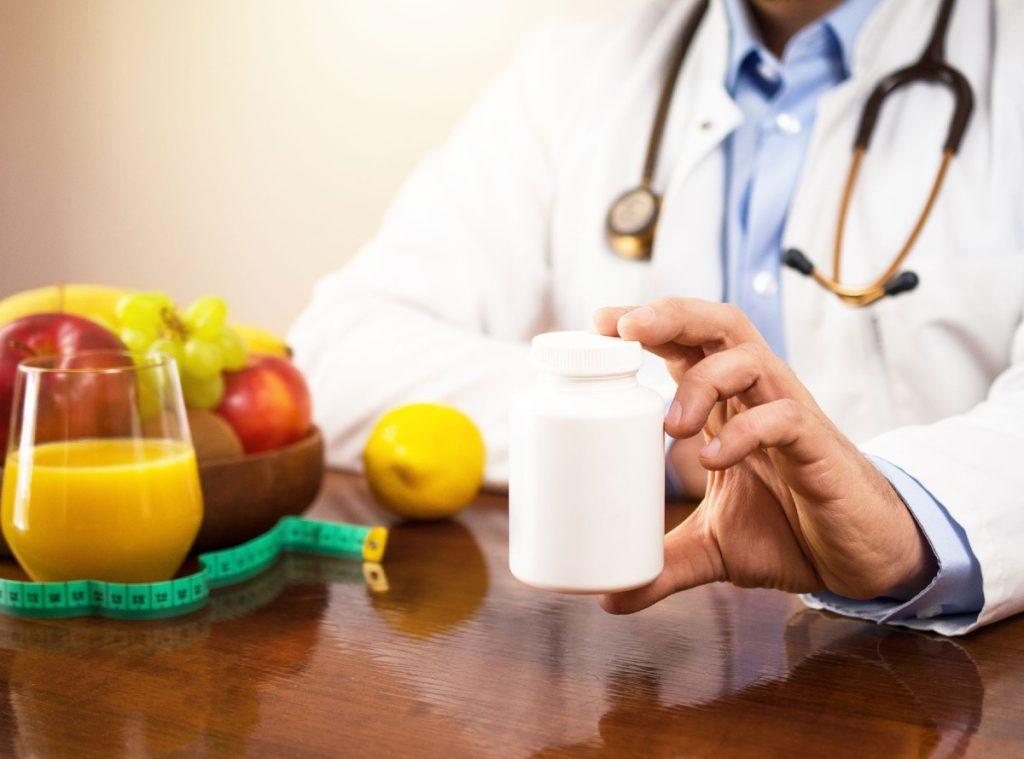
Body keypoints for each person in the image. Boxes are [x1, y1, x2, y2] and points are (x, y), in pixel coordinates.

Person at [289, 0, 1024, 636]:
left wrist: (901, 519)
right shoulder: (578, 67)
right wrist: (659, 423)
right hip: (651, 679)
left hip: (924, 675)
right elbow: (336, 351)